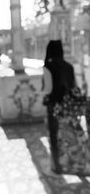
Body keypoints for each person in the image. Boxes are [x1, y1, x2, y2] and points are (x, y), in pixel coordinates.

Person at [42, 40, 76, 173]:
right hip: (69, 106)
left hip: (53, 107)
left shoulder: (48, 67)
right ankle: (72, 162)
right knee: (69, 135)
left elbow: (47, 89)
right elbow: (74, 87)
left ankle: (57, 166)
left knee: (54, 136)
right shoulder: (69, 67)